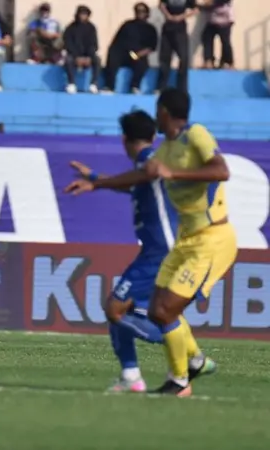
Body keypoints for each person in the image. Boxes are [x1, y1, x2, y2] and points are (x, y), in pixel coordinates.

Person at [66, 88, 235, 396]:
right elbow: (138, 181)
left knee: (119, 310)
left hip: (170, 247)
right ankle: (151, 372)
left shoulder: (172, 147)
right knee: (149, 310)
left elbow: (218, 170)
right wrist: (95, 180)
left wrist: (97, 181)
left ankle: (185, 360)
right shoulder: (160, 155)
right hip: (173, 244)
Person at [103, 3, 158, 94]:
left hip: (136, 55)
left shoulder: (150, 29)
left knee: (142, 64)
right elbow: (116, 41)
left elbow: (152, 47)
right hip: (124, 54)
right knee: (113, 55)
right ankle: (110, 86)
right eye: (137, 11)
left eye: (142, 11)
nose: (139, 13)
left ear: (147, 13)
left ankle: (134, 87)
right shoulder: (127, 24)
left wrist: (139, 54)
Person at [157, 0, 196, 92]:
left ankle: (182, 88)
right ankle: (161, 87)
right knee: (165, 58)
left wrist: (181, 17)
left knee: (184, 58)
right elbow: (161, 5)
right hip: (168, 28)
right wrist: (168, 15)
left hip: (180, 29)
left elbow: (195, 9)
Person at [63, 5, 100, 94]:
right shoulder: (70, 28)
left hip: (88, 56)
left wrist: (88, 57)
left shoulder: (91, 28)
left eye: (85, 14)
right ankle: (71, 83)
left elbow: (94, 44)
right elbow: (68, 44)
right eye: (81, 14)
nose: (83, 16)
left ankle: (93, 84)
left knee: (97, 60)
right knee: (68, 60)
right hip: (74, 55)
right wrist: (76, 57)